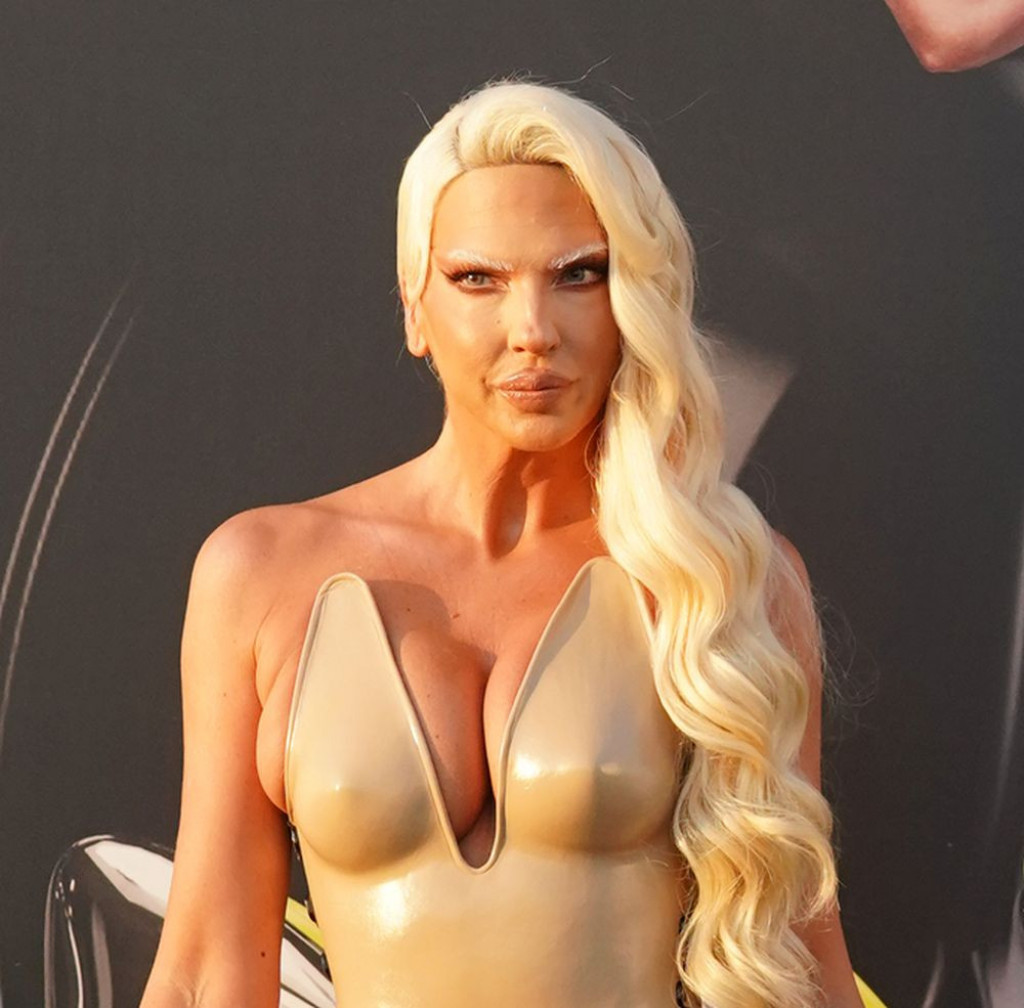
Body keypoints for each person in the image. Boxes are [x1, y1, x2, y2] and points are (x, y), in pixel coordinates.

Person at [140, 80, 864, 1008]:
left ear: (634, 300)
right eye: (478, 279)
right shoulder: (260, 572)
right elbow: (206, 974)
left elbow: (802, 960)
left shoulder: (720, 576)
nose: (533, 332)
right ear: (415, 306)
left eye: (579, 274)